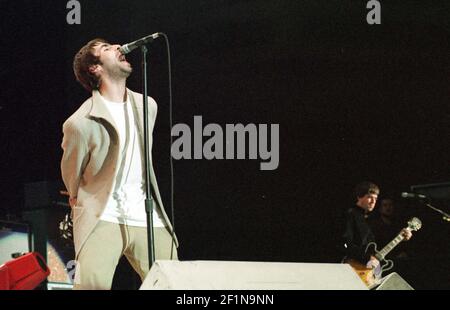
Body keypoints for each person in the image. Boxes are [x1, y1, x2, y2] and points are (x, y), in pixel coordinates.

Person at [61, 38, 178, 290]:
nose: (117, 47)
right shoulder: (79, 123)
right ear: (95, 68)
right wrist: (76, 197)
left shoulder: (147, 105)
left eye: (113, 45)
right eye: (105, 49)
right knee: (91, 286)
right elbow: (72, 173)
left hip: (146, 214)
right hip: (102, 214)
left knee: (175, 283)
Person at [342, 182, 411, 269]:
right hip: (352, 267)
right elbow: (344, 243)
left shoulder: (369, 219)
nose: (373, 202)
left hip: (366, 268)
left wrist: (400, 237)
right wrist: (367, 258)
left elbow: (377, 247)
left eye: (375, 198)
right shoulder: (350, 215)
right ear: (359, 197)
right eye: (370, 197)